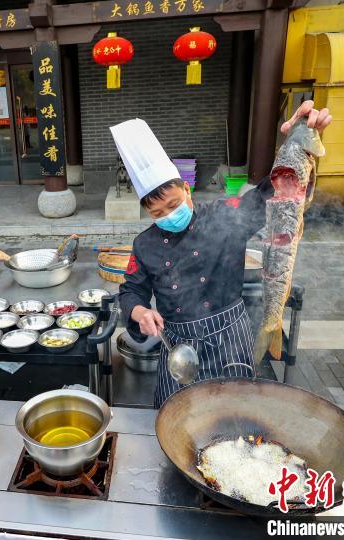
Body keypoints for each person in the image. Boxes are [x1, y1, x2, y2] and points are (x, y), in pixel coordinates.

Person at [110, 101, 332, 408]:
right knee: (176, 417)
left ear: (187, 189)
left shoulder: (224, 215)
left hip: (230, 339)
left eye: (173, 204)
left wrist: (297, 142)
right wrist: (140, 313)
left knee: (233, 415)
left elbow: (272, 197)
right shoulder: (144, 244)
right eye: (157, 212)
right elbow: (131, 291)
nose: (167, 215)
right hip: (178, 345)